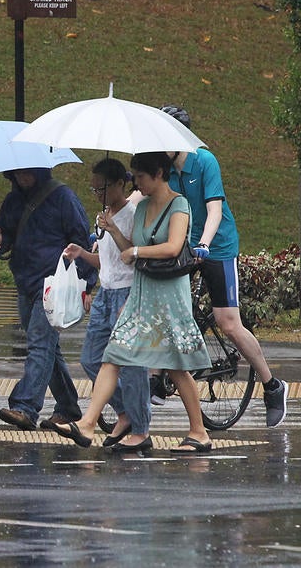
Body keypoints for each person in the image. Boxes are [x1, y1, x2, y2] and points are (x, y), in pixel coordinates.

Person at [53, 152, 213, 454]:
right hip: (141, 291)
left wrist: (137, 252)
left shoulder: (178, 204)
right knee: (113, 355)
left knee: (175, 365)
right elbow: (129, 250)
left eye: (139, 176)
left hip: (168, 293)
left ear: (159, 174)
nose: (135, 181)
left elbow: (173, 247)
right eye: (134, 175)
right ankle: (88, 424)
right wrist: (115, 233)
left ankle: (199, 432)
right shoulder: (142, 209)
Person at [162, 105, 287, 427]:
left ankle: (272, 386)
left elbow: (214, 209)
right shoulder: (164, 166)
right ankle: (161, 376)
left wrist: (204, 243)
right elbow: (141, 195)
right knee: (165, 305)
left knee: (228, 322)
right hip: (186, 245)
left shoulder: (205, 161)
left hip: (218, 246)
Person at [0, 167, 97, 431]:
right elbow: (7, 238)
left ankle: (25, 406)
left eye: (27, 172)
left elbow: (82, 240)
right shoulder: (13, 201)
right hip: (25, 281)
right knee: (48, 348)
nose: (22, 177)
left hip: (54, 285)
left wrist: (85, 285)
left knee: (39, 344)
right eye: (17, 173)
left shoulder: (63, 197)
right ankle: (68, 407)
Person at [55, 159, 151, 451]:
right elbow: (107, 261)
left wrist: (113, 230)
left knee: (132, 365)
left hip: (128, 293)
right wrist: (83, 253)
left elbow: (132, 254)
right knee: (91, 359)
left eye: (102, 187)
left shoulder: (133, 215)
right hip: (105, 293)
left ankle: (140, 428)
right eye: (93, 188)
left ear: (121, 184)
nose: (97, 194)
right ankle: (124, 412)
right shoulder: (105, 215)